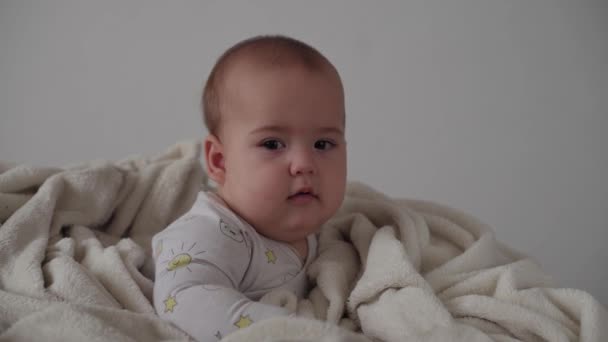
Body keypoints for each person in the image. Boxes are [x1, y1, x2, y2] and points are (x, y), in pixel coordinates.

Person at [152, 35, 347, 341]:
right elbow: (183, 300)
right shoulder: (210, 233)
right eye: (272, 144)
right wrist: (296, 333)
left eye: (323, 143)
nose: (304, 163)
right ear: (220, 161)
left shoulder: (326, 229)